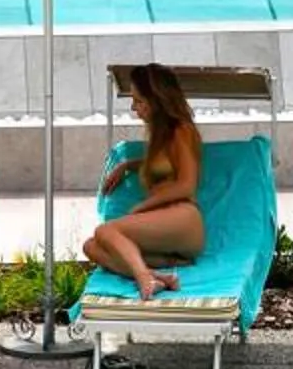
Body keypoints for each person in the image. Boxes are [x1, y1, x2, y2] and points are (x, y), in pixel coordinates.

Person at [85, 63, 204, 294]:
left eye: (139, 101)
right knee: (92, 247)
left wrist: (142, 207)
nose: (133, 107)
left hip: (183, 219)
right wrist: (128, 165)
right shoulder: (159, 134)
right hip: (164, 226)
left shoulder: (181, 130)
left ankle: (143, 278)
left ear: (157, 101)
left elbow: (187, 185)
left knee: (106, 232)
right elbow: (164, 165)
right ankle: (157, 274)